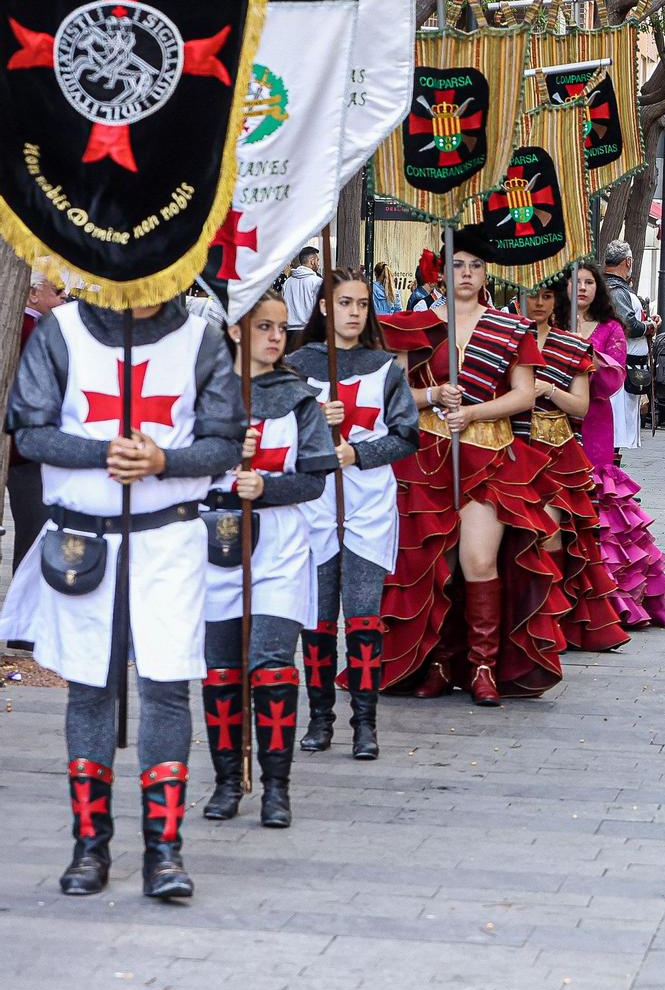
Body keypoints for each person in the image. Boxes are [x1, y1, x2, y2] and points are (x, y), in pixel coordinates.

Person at [0, 288, 245, 899]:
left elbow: (223, 441)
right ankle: (90, 848)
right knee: (90, 687)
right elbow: (28, 431)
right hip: (84, 542)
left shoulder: (200, 338)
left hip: (168, 541)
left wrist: (163, 460)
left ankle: (164, 854)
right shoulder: (59, 331)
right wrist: (103, 452)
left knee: (165, 685)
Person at [378, 232, 567, 704]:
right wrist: (434, 396)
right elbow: (393, 392)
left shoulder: (510, 328)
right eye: (456, 264)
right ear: (440, 271)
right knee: (433, 564)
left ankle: (483, 666)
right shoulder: (412, 324)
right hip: (425, 456)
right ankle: (439, 661)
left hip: (489, 454)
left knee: (479, 560)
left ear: (487, 273)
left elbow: (524, 394)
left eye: (475, 265)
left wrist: (477, 412)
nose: (465, 273)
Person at [197, 289, 335, 830]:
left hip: (278, 546)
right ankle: (229, 781)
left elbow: (317, 474)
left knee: (274, 666)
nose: (277, 337)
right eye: (264, 327)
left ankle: (277, 789)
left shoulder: (298, 397)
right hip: (217, 544)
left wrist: (267, 489)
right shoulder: (203, 395)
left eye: (282, 328)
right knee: (222, 672)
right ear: (235, 331)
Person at [292, 269, 421, 760]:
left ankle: (365, 723)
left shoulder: (384, 367)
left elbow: (406, 434)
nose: (353, 312)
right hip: (314, 502)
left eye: (361, 304)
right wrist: (312, 423)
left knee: (363, 617)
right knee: (319, 618)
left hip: (366, 503)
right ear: (325, 306)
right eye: (344, 302)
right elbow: (279, 434)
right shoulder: (296, 365)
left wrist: (358, 454)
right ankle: (320, 718)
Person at [575, 263, 665, 627]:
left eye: (589, 282)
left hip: (596, 422)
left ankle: (614, 594)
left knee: (598, 500)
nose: (583, 288)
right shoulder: (554, 327)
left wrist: (581, 367)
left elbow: (612, 378)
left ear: (599, 289)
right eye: (577, 283)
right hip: (554, 425)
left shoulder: (610, 328)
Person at [514, 278, 632, 655]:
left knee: (552, 532)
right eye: (533, 294)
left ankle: (552, 619)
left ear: (556, 301)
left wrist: (546, 390)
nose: (539, 302)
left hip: (558, 451)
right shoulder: (507, 337)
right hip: (513, 447)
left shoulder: (571, 345)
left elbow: (581, 406)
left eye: (547, 295)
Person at [9, 272, 67, 575]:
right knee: (33, 531)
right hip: (23, 448)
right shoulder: (30, 330)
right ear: (33, 294)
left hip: (21, 445)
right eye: (56, 292)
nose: (63, 298)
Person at [601, 240, 651, 452]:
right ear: (628, 262)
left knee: (616, 433)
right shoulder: (616, 290)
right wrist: (649, 327)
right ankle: (610, 479)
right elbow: (628, 326)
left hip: (621, 370)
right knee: (615, 434)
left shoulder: (610, 288)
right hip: (618, 371)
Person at [281, 247, 322, 339]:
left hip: (289, 332)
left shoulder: (287, 282)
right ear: (312, 261)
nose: (318, 264)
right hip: (309, 331)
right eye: (317, 260)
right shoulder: (317, 282)